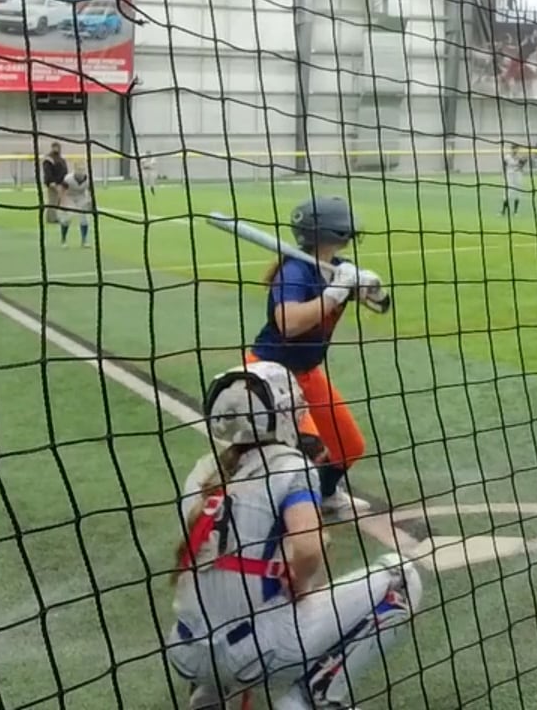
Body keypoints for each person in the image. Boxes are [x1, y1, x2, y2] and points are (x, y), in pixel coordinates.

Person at [168, 360, 423, 710]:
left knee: (229, 573)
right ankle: (309, 700)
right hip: (253, 653)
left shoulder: (201, 472)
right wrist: (299, 585)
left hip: (185, 649)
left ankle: (209, 695)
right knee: (402, 579)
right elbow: (308, 546)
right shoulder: (291, 466)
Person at [249, 197, 382, 516]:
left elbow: (381, 306)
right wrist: (335, 293)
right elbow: (289, 323)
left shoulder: (338, 268)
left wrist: (374, 289)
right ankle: (280, 513)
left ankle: (324, 494)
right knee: (305, 451)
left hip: (306, 373)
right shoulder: (294, 271)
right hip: (270, 374)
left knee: (348, 446)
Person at [59, 165, 94, 248]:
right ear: (75, 170)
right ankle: (63, 239)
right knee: (67, 218)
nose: (80, 172)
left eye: (82, 170)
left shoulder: (88, 179)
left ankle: (84, 241)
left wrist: (90, 202)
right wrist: (63, 202)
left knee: (84, 218)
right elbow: (62, 190)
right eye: (78, 169)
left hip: (81, 197)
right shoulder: (68, 179)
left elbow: (90, 191)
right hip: (69, 197)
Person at [40, 142, 68, 224]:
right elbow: (47, 171)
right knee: (53, 200)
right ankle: (51, 218)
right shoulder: (49, 159)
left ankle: (55, 216)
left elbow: (64, 171)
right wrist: (51, 182)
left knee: (58, 201)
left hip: (61, 183)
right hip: (53, 183)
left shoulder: (60, 158)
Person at [500, 144, 528, 217]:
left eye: (517, 149)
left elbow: (523, 164)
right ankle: (503, 211)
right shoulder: (507, 157)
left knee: (518, 193)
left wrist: (522, 165)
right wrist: (504, 175)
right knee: (508, 193)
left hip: (518, 176)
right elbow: (504, 166)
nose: (515, 150)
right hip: (509, 176)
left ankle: (515, 212)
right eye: (514, 149)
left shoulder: (520, 157)